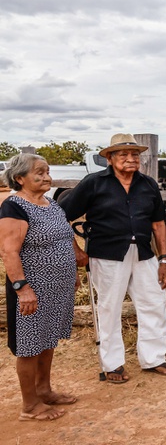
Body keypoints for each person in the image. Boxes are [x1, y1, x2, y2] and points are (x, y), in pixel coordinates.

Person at [61, 133, 166, 382]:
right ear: (110, 159)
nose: (130, 159)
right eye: (123, 154)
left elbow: (158, 224)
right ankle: (112, 364)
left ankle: (154, 358)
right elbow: (61, 215)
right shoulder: (94, 183)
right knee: (109, 308)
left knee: (154, 304)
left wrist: (164, 259)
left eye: (135, 154)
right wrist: (76, 251)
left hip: (144, 253)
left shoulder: (147, 184)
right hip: (107, 254)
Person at [0, 154, 87, 421]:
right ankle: (29, 406)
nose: (46, 176)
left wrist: (75, 265)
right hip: (32, 290)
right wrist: (22, 288)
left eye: (47, 171)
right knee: (29, 346)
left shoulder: (51, 203)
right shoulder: (15, 207)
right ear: (19, 178)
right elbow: (9, 251)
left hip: (57, 287)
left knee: (47, 339)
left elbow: (65, 234)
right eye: (39, 172)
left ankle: (44, 390)